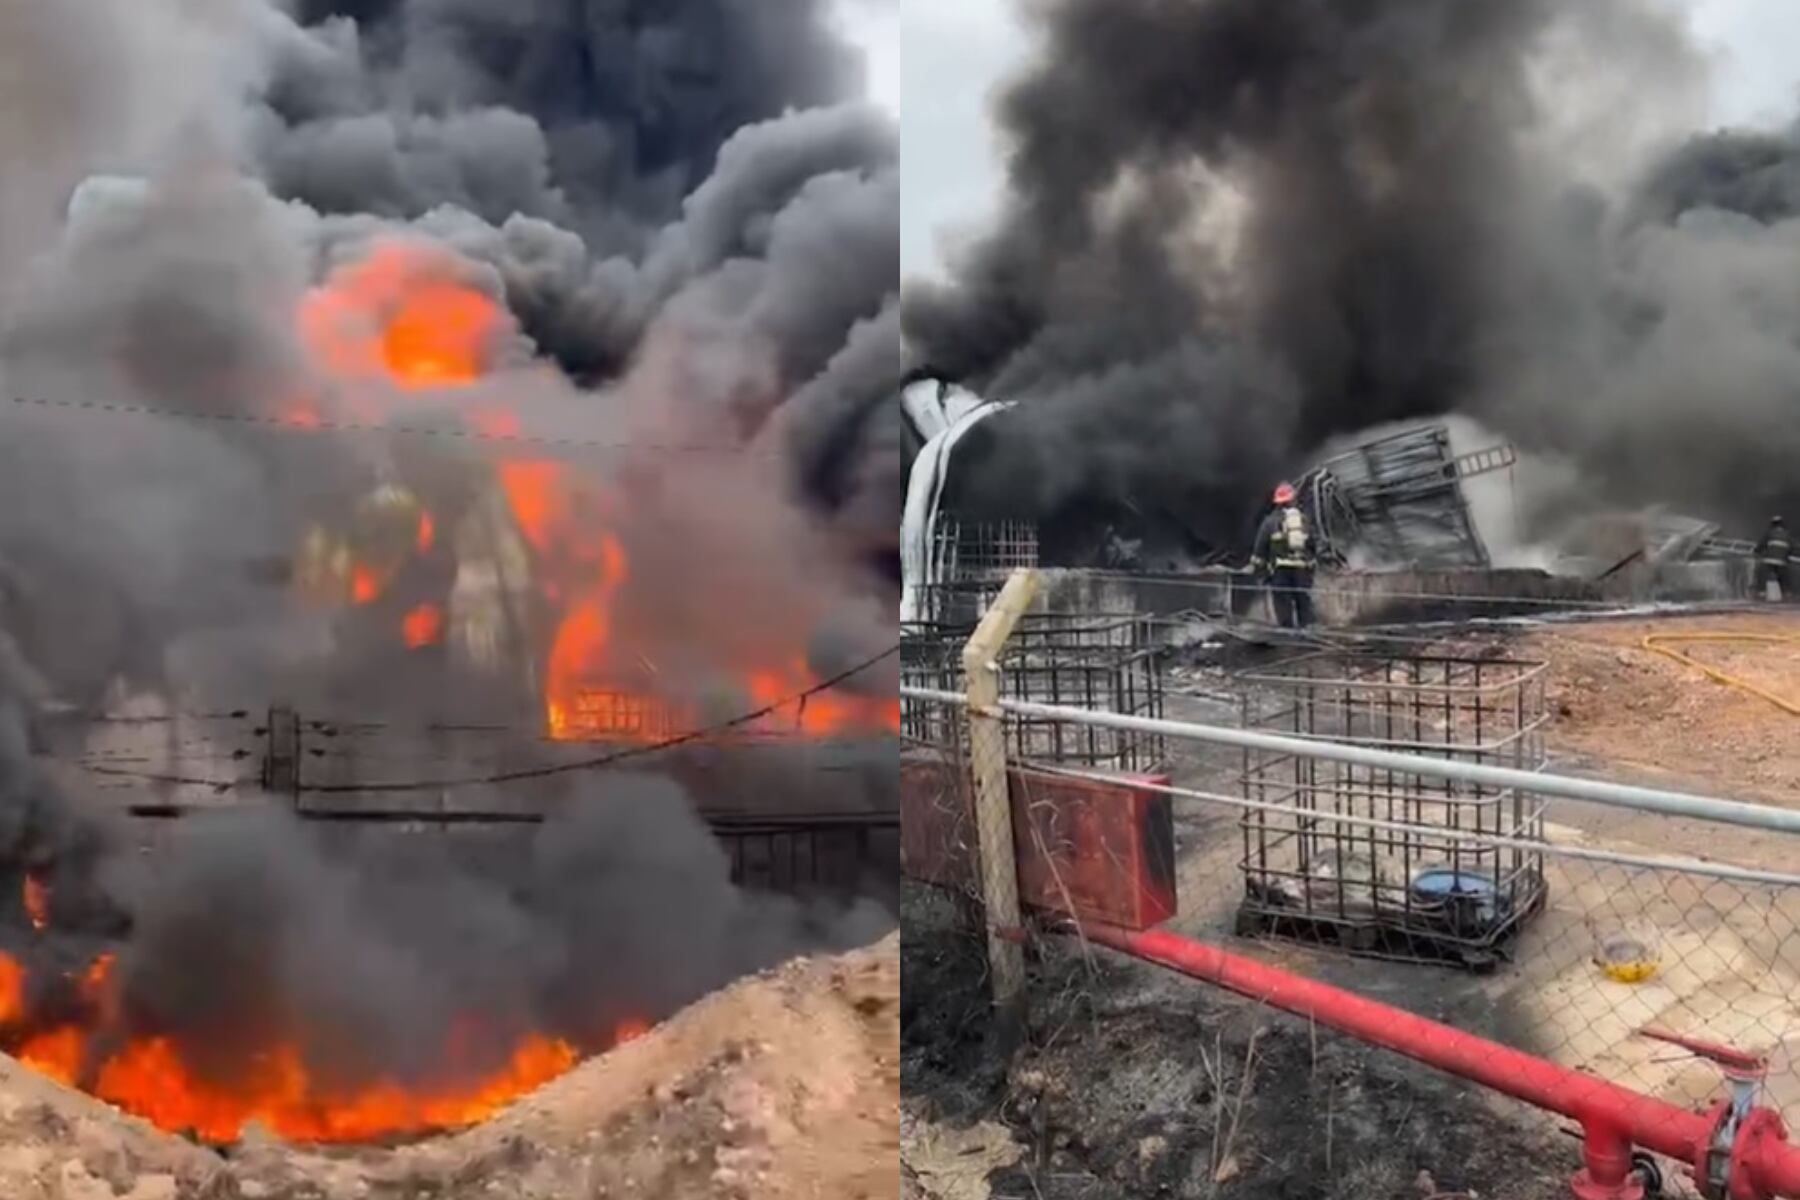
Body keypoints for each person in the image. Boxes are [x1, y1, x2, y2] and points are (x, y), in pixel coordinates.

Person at [1251, 481, 1316, 628]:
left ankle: (1287, 635)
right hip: (1302, 570)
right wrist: (1310, 568)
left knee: (1283, 604)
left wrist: (1260, 574)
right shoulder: (1304, 521)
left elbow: (1259, 551)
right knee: (1303, 601)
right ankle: (1307, 632)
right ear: (1292, 499)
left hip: (1280, 571)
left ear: (1277, 502)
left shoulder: (1269, 522)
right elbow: (1313, 546)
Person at [1755, 516, 1792, 601]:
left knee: (1763, 573)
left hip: (1770, 560)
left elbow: (1761, 545)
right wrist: (1786, 557)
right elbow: (1791, 548)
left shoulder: (1769, 533)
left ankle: (1761, 592)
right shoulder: (1787, 535)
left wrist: (1756, 551)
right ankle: (1786, 594)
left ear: (1772, 524)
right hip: (1782, 561)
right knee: (1782, 578)